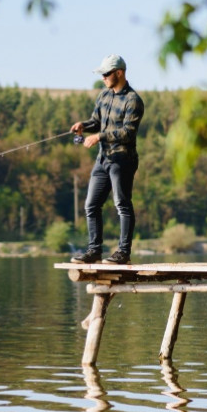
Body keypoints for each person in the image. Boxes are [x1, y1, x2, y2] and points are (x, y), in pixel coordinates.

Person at [69, 55, 144, 265]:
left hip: (123, 160)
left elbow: (127, 132)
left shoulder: (133, 101)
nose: (103, 78)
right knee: (91, 205)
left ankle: (123, 253)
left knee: (122, 204)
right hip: (103, 159)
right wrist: (83, 125)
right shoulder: (103, 96)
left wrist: (99, 136)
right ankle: (94, 251)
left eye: (106, 74)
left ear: (119, 73)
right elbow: (96, 122)